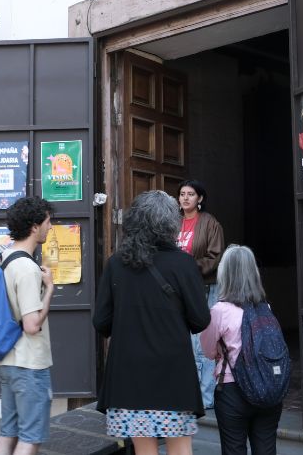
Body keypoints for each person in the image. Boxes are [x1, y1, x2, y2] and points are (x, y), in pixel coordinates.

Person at [94, 190, 210, 455]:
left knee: (144, 451)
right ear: (170, 223)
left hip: (128, 375)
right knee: (180, 449)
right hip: (173, 373)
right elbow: (201, 320)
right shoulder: (183, 264)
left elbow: (101, 321)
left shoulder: (116, 264)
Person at [199, 245, 282, 455]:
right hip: (268, 390)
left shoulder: (219, 311)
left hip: (232, 391)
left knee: (233, 449)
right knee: (266, 449)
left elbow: (208, 351)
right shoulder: (266, 308)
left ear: (225, 275)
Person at [0, 197, 57, 455]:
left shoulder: (4, 258)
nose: (50, 227)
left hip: (7, 360)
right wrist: (49, 289)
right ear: (34, 227)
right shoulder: (28, 269)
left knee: (8, 433)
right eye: (47, 222)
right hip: (28, 363)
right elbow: (32, 325)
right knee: (30, 437)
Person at [176, 179, 224, 409]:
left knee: (202, 344)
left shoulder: (209, 223)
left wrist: (188, 267)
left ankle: (205, 397)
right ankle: (187, 392)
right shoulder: (172, 222)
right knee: (182, 342)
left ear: (200, 199)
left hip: (203, 288)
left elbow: (214, 256)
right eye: (182, 194)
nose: (185, 198)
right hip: (176, 290)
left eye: (191, 194)